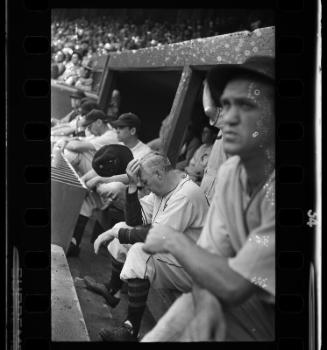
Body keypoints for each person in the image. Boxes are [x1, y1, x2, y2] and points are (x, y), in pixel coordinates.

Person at [141, 55, 275, 342]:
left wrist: (170, 239)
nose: (228, 118)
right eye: (225, 104)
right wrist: (207, 305)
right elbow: (207, 263)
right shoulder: (231, 172)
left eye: (247, 105)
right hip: (242, 308)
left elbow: (233, 285)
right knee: (186, 311)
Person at [89, 153, 209, 341]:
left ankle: (130, 330)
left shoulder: (186, 194)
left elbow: (155, 235)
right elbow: (134, 221)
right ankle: (113, 290)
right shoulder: (162, 190)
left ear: (159, 174)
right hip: (174, 257)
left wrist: (113, 234)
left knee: (139, 250)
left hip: (194, 270)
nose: (143, 186)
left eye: (144, 181)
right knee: (121, 228)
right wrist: (131, 186)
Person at [61, 109, 119, 176]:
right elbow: (78, 140)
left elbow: (76, 146)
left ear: (99, 122)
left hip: (106, 175)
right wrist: (66, 141)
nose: (88, 130)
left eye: (89, 126)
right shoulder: (100, 133)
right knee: (69, 148)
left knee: (75, 153)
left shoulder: (110, 136)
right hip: (99, 169)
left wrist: (64, 143)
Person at [200, 79, 228, 204]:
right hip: (209, 186)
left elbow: (209, 110)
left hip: (217, 190)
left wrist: (207, 83)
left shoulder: (238, 120)